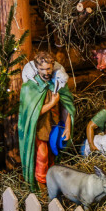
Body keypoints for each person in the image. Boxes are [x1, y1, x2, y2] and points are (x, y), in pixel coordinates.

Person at [17, 51, 75, 191]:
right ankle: (41, 188)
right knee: (41, 158)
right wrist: (51, 103)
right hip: (39, 130)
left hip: (55, 128)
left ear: (53, 66)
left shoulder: (59, 83)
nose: (46, 72)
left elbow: (66, 107)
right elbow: (31, 114)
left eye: (48, 68)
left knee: (52, 156)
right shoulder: (30, 87)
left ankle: (53, 185)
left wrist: (67, 127)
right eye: (42, 69)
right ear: (36, 68)